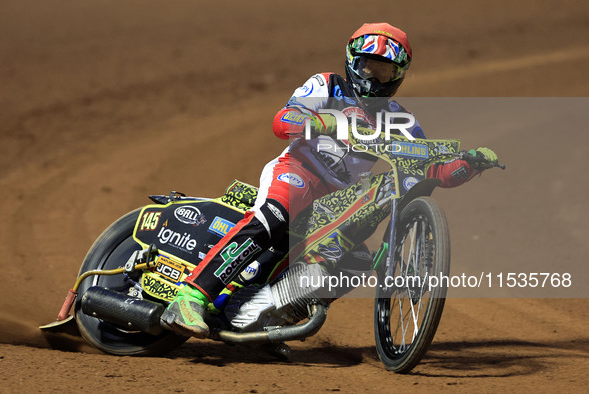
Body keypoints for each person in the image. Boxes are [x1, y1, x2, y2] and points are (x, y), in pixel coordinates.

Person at [161, 23, 498, 338]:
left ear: (399, 75)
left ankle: (260, 317)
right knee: (279, 213)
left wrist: (466, 164)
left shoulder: (402, 120)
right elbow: (283, 121)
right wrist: (321, 121)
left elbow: (428, 172)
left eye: (385, 71)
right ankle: (191, 295)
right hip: (299, 171)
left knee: (355, 262)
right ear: (354, 63)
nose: (375, 77)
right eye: (369, 67)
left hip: (338, 203)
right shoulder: (328, 85)